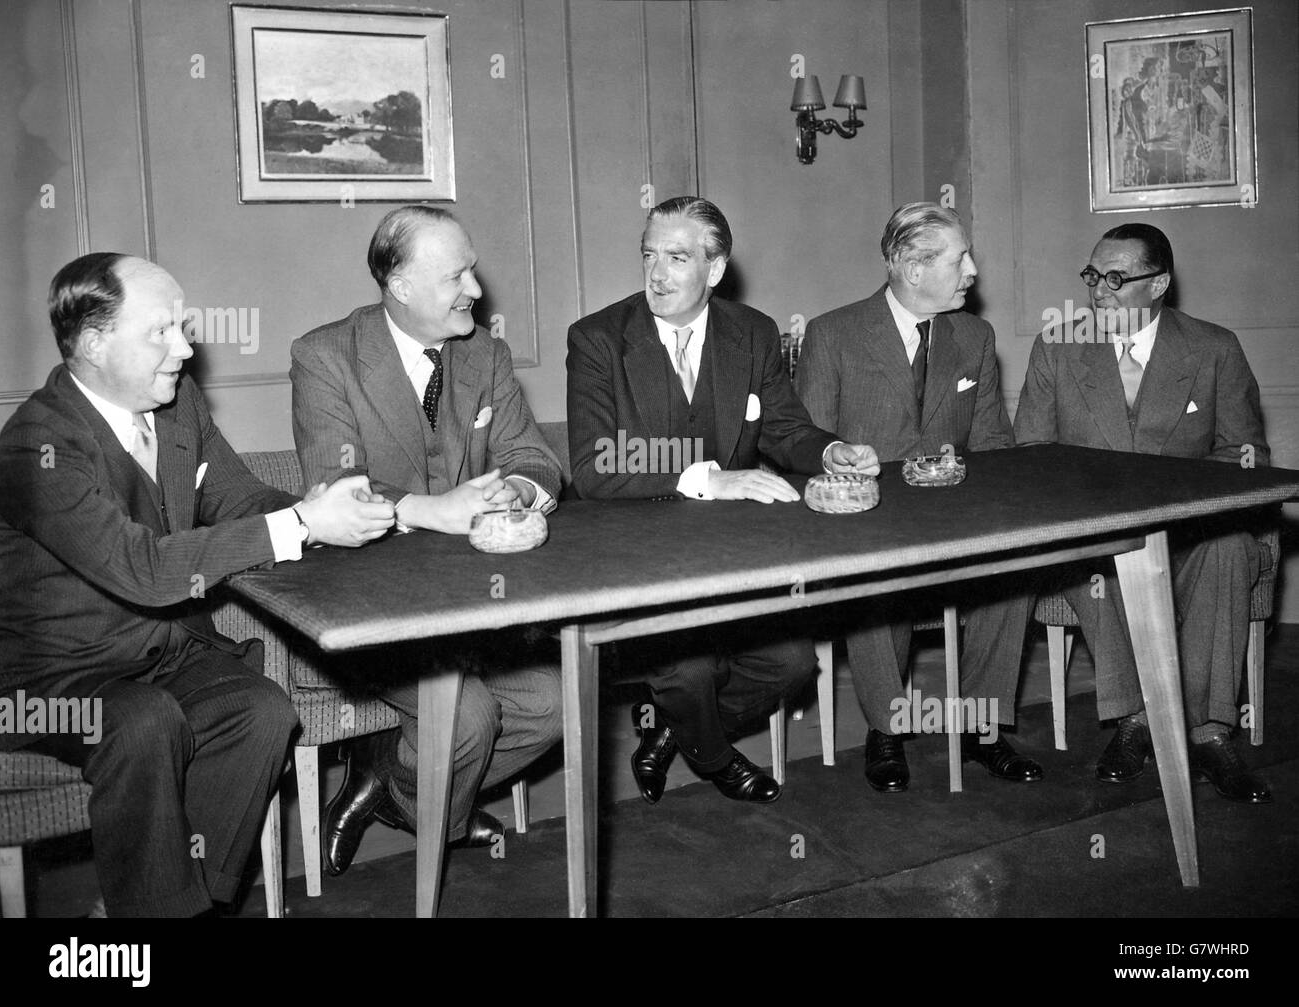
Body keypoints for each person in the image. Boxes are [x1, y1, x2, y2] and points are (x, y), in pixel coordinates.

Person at [0, 252, 394, 916]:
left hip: (165, 652)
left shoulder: (176, 405)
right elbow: (145, 569)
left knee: (264, 710)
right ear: (94, 343)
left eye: (183, 326)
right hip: (53, 679)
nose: (185, 348)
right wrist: (298, 521)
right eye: (162, 330)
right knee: (143, 723)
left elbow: (242, 502)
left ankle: (163, 909)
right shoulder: (36, 447)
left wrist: (328, 515)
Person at [566, 195, 879, 805]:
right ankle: (711, 754)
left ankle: (668, 736)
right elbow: (596, 464)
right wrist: (710, 478)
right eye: (649, 255)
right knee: (691, 669)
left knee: (791, 666)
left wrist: (830, 451)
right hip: (637, 550)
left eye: (677, 258)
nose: (657, 274)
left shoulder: (754, 332)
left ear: (714, 269)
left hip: (731, 549)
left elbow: (785, 429)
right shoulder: (599, 338)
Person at [290, 206, 564, 874]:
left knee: (557, 703)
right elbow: (334, 485)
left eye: (472, 268)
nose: (475, 288)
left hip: (473, 603)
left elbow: (535, 458)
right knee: (466, 716)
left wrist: (519, 492)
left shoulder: (486, 353)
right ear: (400, 286)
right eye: (456, 276)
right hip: (367, 603)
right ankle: (434, 798)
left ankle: (395, 785)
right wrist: (429, 510)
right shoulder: (325, 356)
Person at [1014, 221, 1271, 803]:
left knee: (1228, 549)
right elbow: (1030, 454)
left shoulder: (1213, 348)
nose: (1098, 291)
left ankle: (1207, 732)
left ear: (1158, 285)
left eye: (1115, 279)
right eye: (1092, 276)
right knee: (1099, 567)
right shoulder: (1057, 345)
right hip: (1094, 531)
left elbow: (1242, 453)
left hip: (1188, 529)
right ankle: (1134, 720)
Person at [796, 202, 1042, 793]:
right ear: (910, 265)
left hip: (954, 520)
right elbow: (804, 444)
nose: (974, 271)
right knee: (875, 582)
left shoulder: (975, 337)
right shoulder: (833, 334)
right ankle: (886, 729)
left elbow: (990, 445)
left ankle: (980, 729)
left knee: (1014, 569)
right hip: (870, 523)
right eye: (960, 258)